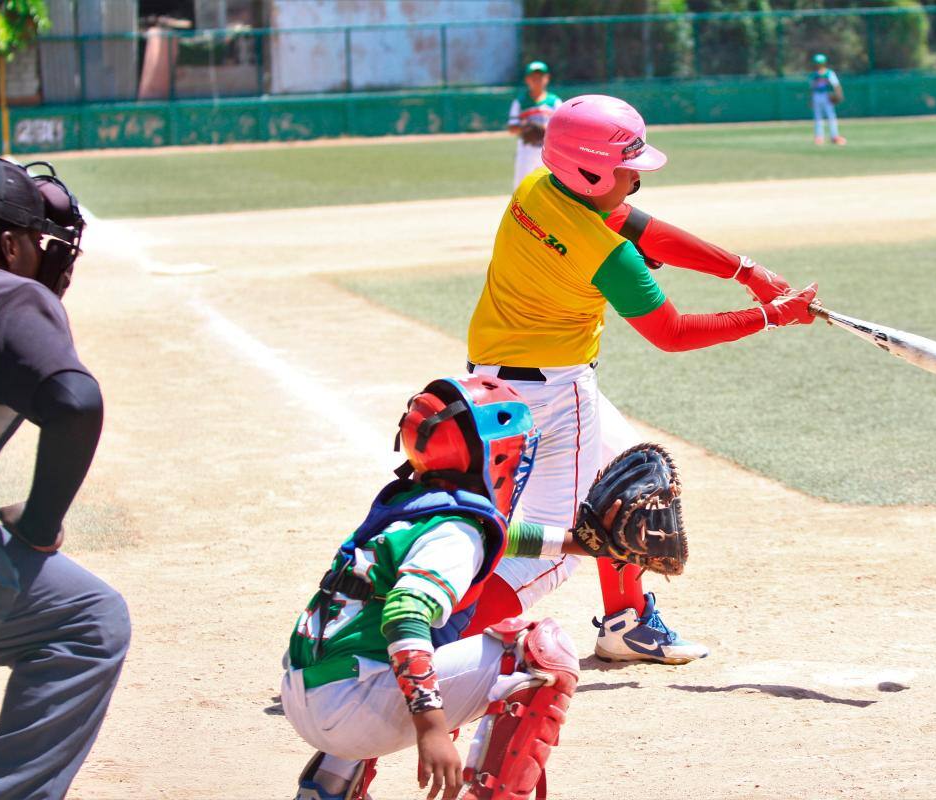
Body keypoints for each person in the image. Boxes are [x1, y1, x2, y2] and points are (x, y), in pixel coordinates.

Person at [463, 94, 819, 665]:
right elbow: (672, 332)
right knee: (555, 553)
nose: (635, 179)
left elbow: (642, 229)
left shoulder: (538, 189)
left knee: (626, 485)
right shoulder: (607, 255)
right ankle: (423, 650)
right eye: (627, 168)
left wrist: (745, 271)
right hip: (555, 395)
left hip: (497, 383)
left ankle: (625, 626)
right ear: (589, 170)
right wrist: (771, 315)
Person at [286, 375, 629, 800]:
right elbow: (404, 613)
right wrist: (431, 726)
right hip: (356, 708)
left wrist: (579, 542)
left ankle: (328, 786)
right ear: (494, 457)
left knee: (404, 638)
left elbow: (502, 537)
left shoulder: (411, 506)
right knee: (539, 650)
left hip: (310, 693)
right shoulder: (456, 534)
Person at [0, 153, 130, 799]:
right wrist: (41, 526)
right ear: (8, 243)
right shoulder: (7, 291)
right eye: (36, 242)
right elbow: (76, 402)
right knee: (88, 622)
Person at [507, 60, 562, 189]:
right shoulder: (520, 102)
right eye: (533, 78)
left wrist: (544, 130)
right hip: (526, 149)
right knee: (522, 186)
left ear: (547, 78)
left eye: (540, 77)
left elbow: (562, 127)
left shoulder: (554, 101)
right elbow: (512, 128)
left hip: (549, 150)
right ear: (527, 80)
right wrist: (526, 128)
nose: (537, 80)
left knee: (550, 187)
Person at [810, 53, 846, 145]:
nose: (818, 65)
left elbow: (836, 86)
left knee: (830, 116)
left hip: (827, 95)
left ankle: (834, 136)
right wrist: (811, 99)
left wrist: (839, 95)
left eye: (819, 63)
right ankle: (819, 137)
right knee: (819, 117)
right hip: (817, 95)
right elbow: (812, 88)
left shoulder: (829, 73)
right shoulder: (815, 75)